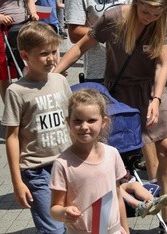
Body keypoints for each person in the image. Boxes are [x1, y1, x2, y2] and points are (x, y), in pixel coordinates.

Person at [54, 0, 167, 234]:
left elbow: (162, 65)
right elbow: (81, 46)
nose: (149, 18)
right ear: (137, 1)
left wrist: (156, 100)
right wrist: (55, 74)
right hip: (120, 93)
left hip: (151, 90)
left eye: (155, 14)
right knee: (113, 159)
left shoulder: (164, 23)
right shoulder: (113, 18)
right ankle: (108, 221)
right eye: (145, 12)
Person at [2, 22, 70, 234]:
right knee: (53, 230)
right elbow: (11, 138)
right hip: (37, 171)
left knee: (75, 221)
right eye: (43, 54)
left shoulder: (60, 81)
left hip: (67, 165)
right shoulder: (16, 91)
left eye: (54, 52)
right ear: (25, 55)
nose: (51, 58)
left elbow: (72, 121)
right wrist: (17, 182)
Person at [49, 89, 130, 233]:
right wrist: (64, 212)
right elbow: (55, 208)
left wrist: (125, 229)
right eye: (78, 121)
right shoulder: (63, 163)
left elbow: (118, 198)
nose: (84, 127)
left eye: (91, 120)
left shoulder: (112, 154)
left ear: (103, 121)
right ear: (68, 122)